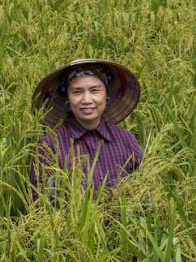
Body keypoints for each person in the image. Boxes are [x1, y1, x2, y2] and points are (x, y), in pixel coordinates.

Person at [30, 59, 143, 201]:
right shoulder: (50, 144)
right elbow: (38, 199)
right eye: (77, 92)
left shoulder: (125, 139)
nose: (86, 100)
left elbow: (145, 186)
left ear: (106, 95)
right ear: (68, 98)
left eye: (94, 90)